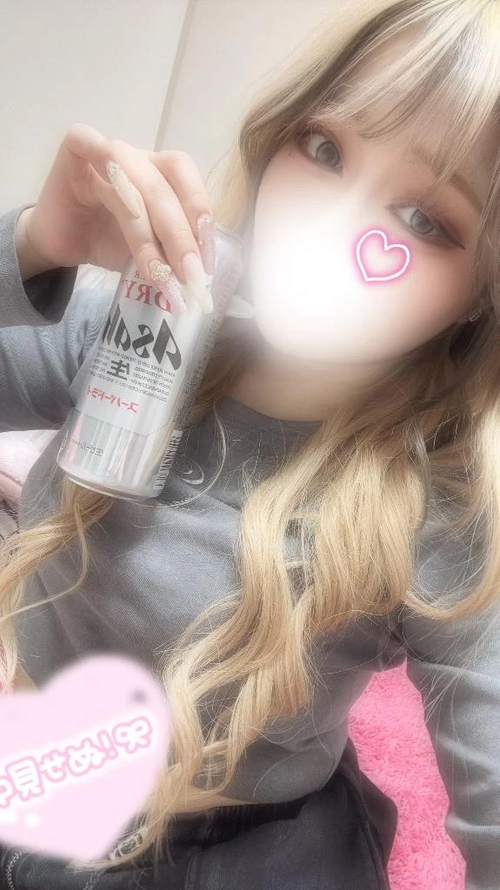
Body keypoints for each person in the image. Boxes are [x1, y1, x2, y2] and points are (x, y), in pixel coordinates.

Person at [1, 0, 500, 887]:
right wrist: (36, 246)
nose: (331, 220)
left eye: (425, 219)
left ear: (483, 291)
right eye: (325, 148)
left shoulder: (445, 510)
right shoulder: (133, 332)